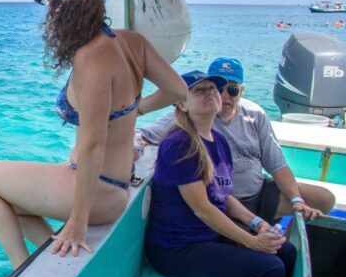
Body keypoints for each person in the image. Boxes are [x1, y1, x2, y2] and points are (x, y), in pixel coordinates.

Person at [0, 0, 186, 268]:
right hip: (114, 183)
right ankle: (43, 256)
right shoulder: (131, 41)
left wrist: (77, 223)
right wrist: (137, 109)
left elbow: (93, 144)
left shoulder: (90, 58)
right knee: (10, 198)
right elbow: (177, 89)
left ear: (61, 14)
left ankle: (19, 266)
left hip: (97, 191)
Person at [145, 70, 296, 277]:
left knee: (286, 253)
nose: (211, 93)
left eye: (213, 88)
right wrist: (251, 242)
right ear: (182, 104)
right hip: (177, 249)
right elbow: (202, 210)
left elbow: (224, 198)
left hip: (207, 238)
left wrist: (257, 224)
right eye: (199, 90)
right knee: (269, 268)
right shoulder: (179, 144)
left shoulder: (219, 141)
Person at [139, 57, 335, 222]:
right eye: (218, 88)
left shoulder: (255, 114)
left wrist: (296, 200)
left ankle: (286, 240)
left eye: (232, 90)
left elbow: (277, 165)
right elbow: (146, 134)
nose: (224, 96)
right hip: (224, 202)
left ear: (242, 90)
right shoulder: (195, 113)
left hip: (258, 193)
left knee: (323, 199)